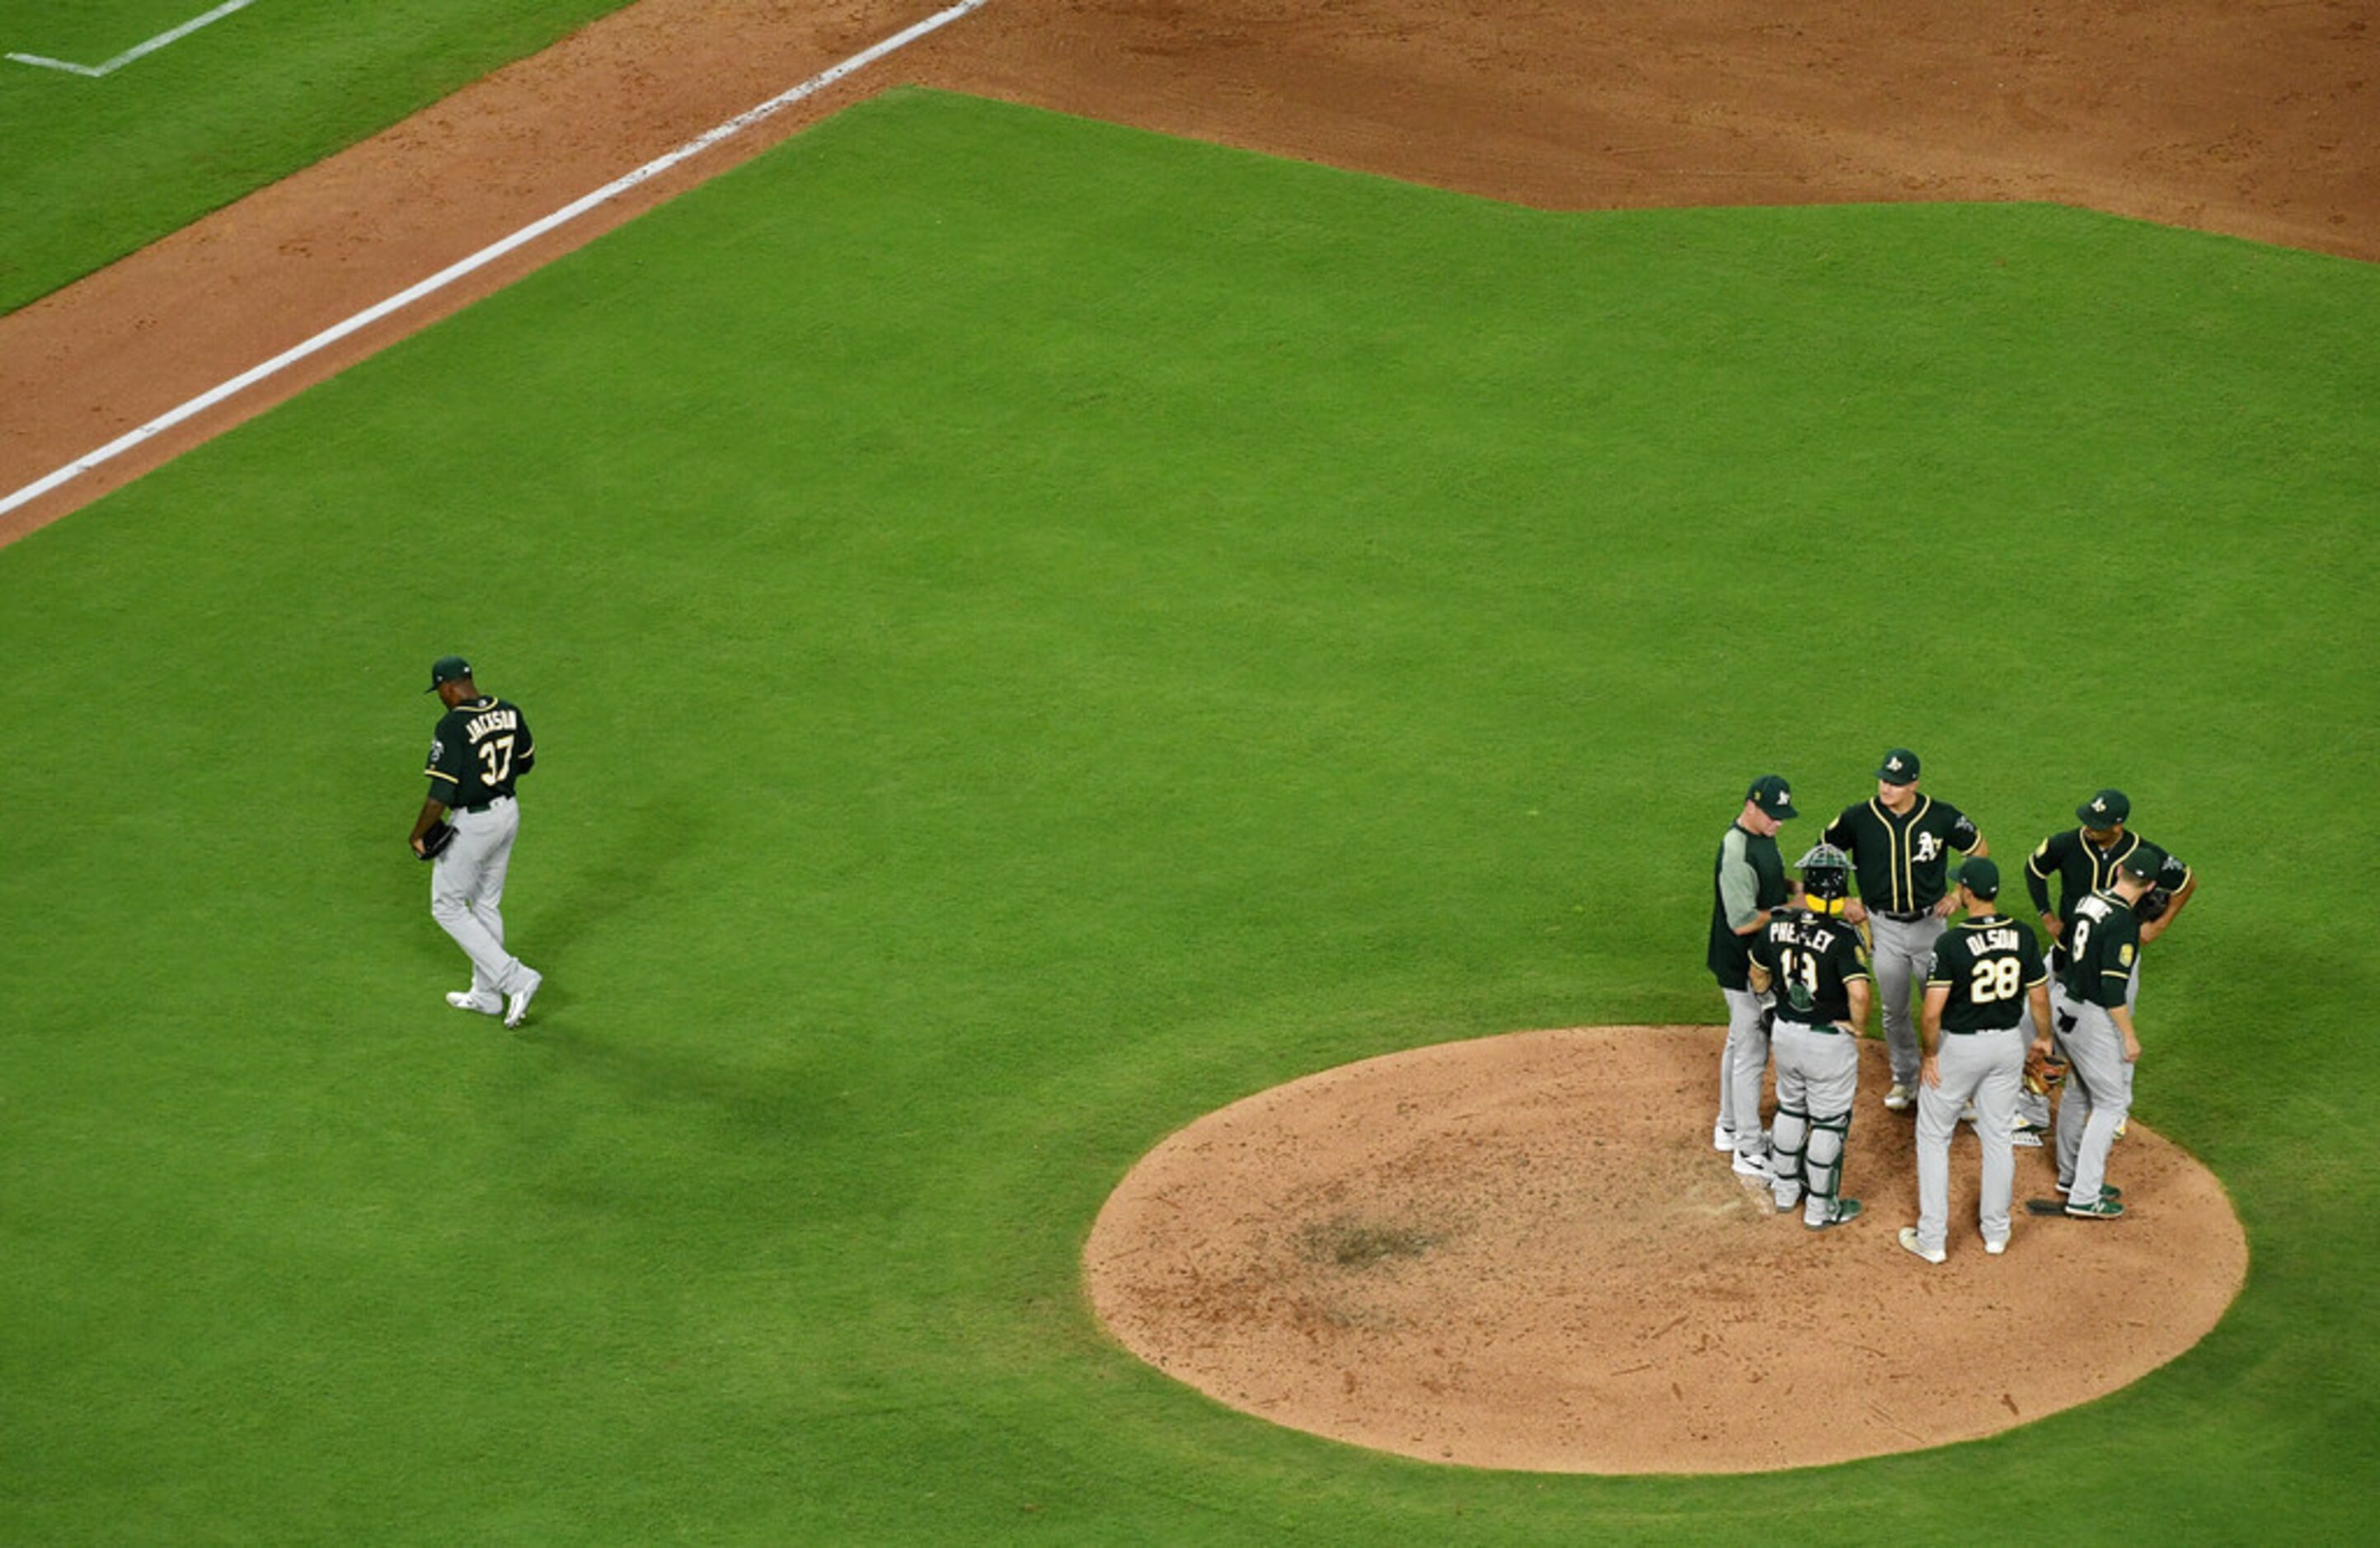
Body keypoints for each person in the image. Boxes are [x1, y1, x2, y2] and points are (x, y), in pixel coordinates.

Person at [2017, 789, 2195, 1142]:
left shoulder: (2144, 856)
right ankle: (2030, 1109)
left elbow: (2186, 881)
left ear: (2118, 825)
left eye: (2097, 824)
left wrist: (2159, 925)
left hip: (2117, 959)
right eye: (2087, 819)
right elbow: (2034, 869)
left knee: (2116, 1033)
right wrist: (2047, 915)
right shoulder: (2067, 844)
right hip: (2066, 951)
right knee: (2032, 1021)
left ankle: (2115, 1110)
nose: (2088, 827)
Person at [1897, 858, 2051, 1263]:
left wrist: (1930, 1054)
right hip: (2007, 1046)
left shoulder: (1951, 943)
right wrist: (2045, 1039)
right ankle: (1997, 1232)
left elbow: (1931, 1013)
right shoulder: (2021, 934)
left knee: (1933, 1136)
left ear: (1967, 892)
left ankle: (1932, 1239)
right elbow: (2038, 997)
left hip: (1961, 1048)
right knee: (1998, 1135)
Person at [1822, 748, 1986, 1114]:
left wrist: (1959, 893)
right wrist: (1845, 897)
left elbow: (1979, 849)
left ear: (1914, 783)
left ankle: (1953, 1087)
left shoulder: (1942, 816)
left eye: (1895, 782)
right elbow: (1825, 852)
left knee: (1941, 1006)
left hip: (1931, 926)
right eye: (1883, 779)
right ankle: (1906, 1079)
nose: (1886, 787)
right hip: (1884, 927)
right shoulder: (1858, 817)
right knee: (1894, 1009)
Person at [409, 655, 543, 1027]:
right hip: (508, 814)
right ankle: (486, 996)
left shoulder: (452, 726)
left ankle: (516, 979)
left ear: (448, 687)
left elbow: (440, 794)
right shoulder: (510, 711)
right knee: (485, 902)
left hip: (476, 824)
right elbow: (527, 762)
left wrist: (418, 834)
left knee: (446, 906)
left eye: (438, 691)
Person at [1749, 843, 1871, 1230]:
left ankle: (1785, 1192)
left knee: (1790, 1107)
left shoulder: (1777, 924)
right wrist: (1859, 1027)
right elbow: (1860, 993)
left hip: (1786, 1035)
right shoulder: (1843, 934)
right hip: (1827, 1041)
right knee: (1829, 1121)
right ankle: (1822, 1209)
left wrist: (1772, 1006)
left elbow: (1757, 974)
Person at [2049, 844, 2163, 1218]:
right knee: (2112, 1102)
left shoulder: (2087, 901)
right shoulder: (2123, 923)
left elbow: (2062, 951)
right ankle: (2084, 1195)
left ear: (2119, 872)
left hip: (2062, 1002)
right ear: (2149, 888)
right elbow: (2114, 991)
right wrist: (2128, 1036)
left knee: (2079, 1091)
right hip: (2092, 1018)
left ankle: (2070, 1176)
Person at [1706, 774, 1800, 1180]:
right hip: (1741, 964)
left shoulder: (1761, 838)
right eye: (1773, 815)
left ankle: (1729, 1125)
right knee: (1752, 1053)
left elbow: (1768, 882)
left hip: (1750, 962)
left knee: (1738, 1042)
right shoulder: (1736, 849)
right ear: (1751, 805)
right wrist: (1793, 910)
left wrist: (1801, 888)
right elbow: (1743, 920)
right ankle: (1746, 1147)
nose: (1779, 823)